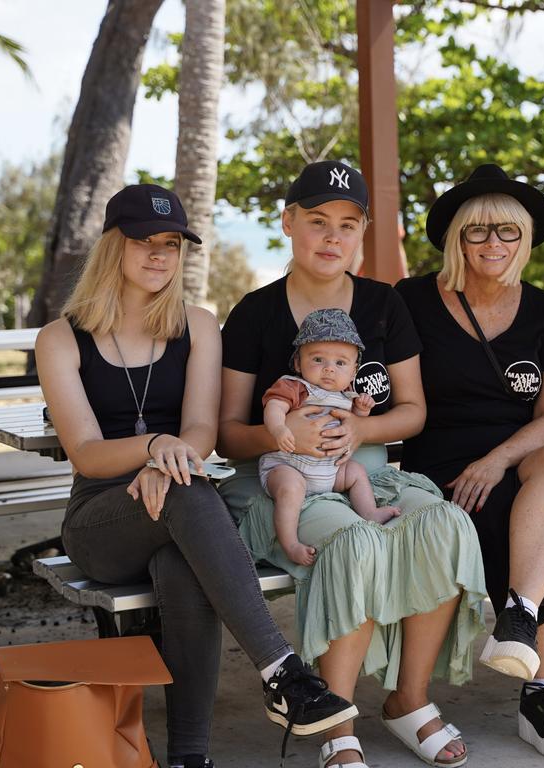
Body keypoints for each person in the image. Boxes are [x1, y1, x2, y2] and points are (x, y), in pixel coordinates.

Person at [35, 184, 357, 768]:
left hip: (179, 500)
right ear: (113, 246)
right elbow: (85, 452)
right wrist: (158, 449)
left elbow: (203, 429)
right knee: (189, 490)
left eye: (171, 244)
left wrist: (171, 460)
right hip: (102, 522)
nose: (160, 255)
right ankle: (282, 671)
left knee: (183, 563)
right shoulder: (61, 338)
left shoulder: (198, 326)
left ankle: (189, 757)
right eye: (143, 242)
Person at [216, 160, 486, 768]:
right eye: (317, 222)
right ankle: (334, 717)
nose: (332, 237)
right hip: (284, 484)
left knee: (443, 525)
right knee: (356, 541)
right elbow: (227, 437)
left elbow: (413, 410)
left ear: (362, 232)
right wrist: (282, 437)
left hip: (367, 473)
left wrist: (362, 427)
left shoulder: (383, 305)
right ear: (288, 223)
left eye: (347, 224)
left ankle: (408, 701)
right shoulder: (255, 313)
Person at [397, 164, 544, 758]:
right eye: (477, 231)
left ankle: (519, 617)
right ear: (456, 238)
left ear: (525, 240)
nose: (493, 243)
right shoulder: (413, 300)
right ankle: (543, 690)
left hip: (519, 456)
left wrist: (497, 460)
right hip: (439, 464)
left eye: (507, 232)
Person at [260, 308, 400, 566]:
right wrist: (279, 429)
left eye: (340, 363)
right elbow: (274, 407)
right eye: (317, 360)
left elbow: (353, 424)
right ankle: (290, 542)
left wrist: (362, 411)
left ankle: (369, 512)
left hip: (329, 471)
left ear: (353, 371)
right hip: (289, 466)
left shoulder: (347, 395)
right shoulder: (295, 386)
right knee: (290, 489)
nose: (328, 370)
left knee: (356, 471)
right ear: (298, 363)